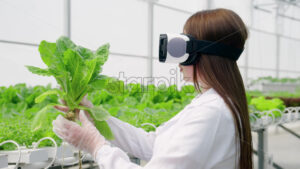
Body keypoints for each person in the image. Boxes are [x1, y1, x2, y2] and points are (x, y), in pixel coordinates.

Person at [52, 8, 253, 169]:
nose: (178, 64)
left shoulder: (211, 112)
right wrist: (94, 116)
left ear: (199, 53)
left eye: (181, 50)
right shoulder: (212, 103)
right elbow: (153, 143)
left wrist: (96, 147)